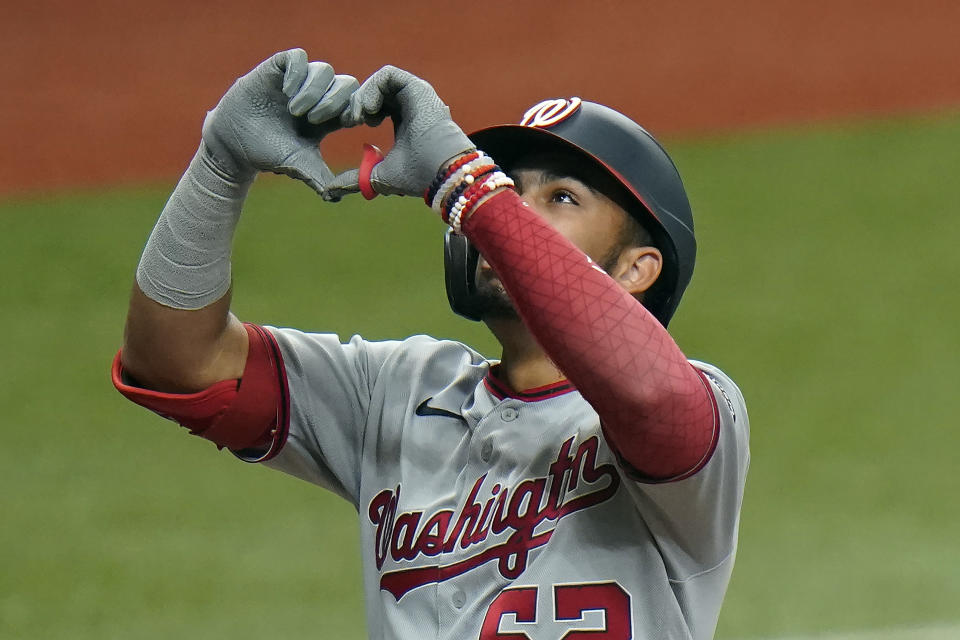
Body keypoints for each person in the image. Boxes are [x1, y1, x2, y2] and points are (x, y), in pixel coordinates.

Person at [112, 48, 749, 640]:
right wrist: (220, 165)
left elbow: (651, 393)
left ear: (637, 270)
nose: (515, 211)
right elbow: (178, 363)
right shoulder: (395, 391)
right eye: (508, 186)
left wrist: (469, 187)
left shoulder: (701, 415)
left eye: (559, 197)